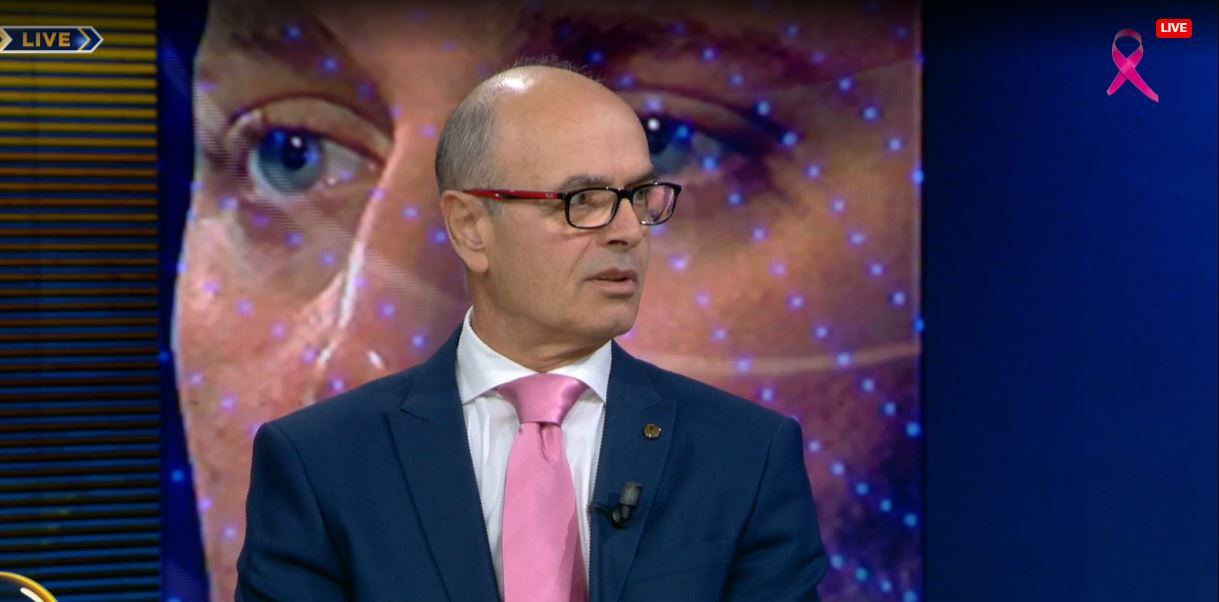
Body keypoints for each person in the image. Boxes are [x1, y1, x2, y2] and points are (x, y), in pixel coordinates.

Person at [178, 0, 922, 599]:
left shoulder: (750, 457)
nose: (365, 353)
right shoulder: (307, 459)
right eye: (294, 153)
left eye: (667, 140)